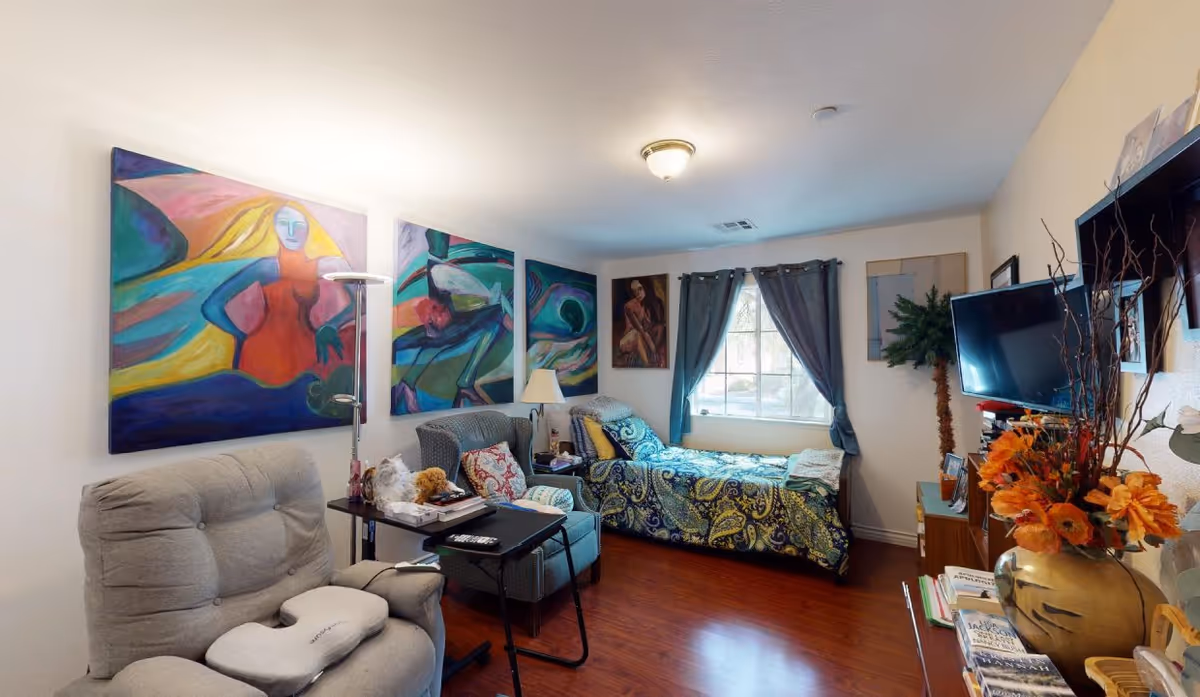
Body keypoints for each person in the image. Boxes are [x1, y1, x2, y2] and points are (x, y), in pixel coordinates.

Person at [202, 203, 353, 386]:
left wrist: (333, 325)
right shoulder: (267, 268)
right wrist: (243, 337)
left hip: (306, 353)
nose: (291, 232)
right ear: (275, 228)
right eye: (284, 224)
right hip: (263, 357)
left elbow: (363, 302)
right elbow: (211, 307)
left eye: (298, 226)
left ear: (307, 231)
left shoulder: (325, 266)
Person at [619, 278, 665, 367]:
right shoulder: (629, 306)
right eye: (634, 291)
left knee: (660, 328)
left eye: (640, 289)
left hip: (645, 336)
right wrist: (654, 350)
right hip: (630, 337)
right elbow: (640, 330)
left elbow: (657, 326)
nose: (637, 294)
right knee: (639, 334)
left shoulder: (654, 303)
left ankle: (651, 358)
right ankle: (647, 364)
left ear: (646, 287)